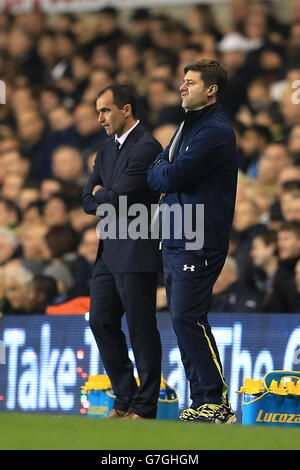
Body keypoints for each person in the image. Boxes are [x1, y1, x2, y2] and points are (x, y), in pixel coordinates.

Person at [147, 59, 238, 423]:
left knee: (188, 316)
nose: (181, 87)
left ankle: (217, 402)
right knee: (182, 318)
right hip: (176, 234)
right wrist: (163, 174)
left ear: (211, 89)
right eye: (182, 81)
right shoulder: (189, 125)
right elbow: (158, 166)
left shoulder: (215, 130)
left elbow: (175, 173)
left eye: (190, 82)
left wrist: (163, 174)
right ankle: (202, 400)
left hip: (199, 238)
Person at [82, 84, 162, 420]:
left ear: (126, 110)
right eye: (98, 111)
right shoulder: (105, 148)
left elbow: (119, 198)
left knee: (141, 328)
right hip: (107, 251)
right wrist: (104, 194)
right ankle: (125, 397)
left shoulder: (146, 146)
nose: (99, 117)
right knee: (100, 321)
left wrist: (104, 194)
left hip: (136, 249)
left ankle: (145, 406)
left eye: (105, 110)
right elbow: (89, 200)